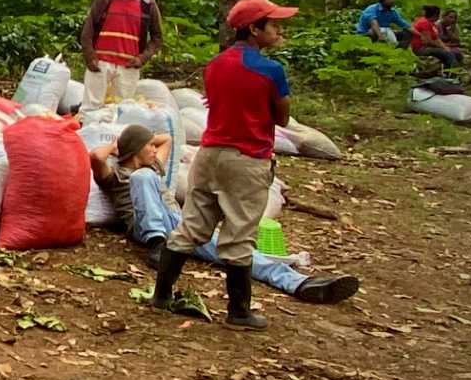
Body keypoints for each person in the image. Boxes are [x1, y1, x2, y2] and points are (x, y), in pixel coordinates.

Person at [152, 0, 306, 330]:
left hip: (208, 155)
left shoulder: (216, 64)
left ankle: (161, 295)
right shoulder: (270, 69)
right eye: (274, 24)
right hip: (247, 158)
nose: (279, 30)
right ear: (254, 28)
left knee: (191, 226)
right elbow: (282, 117)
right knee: (238, 235)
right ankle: (238, 312)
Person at [94, 124, 359, 306]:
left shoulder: (156, 167)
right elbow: (95, 156)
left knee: (235, 250)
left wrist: (143, 144)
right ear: (135, 150)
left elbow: (168, 139)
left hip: (178, 225)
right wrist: (118, 145)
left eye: (153, 145)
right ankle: (155, 244)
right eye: (148, 146)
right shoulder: (118, 176)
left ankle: (301, 285)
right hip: (149, 227)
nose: (154, 149)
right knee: (143, 176)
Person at [79, 0, 165, 109]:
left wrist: (142, 58)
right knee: (90, 109)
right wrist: (90, 55)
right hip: (100, 63)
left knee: (122, 110)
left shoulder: (147, 3)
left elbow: (157, 38)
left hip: (128, 67)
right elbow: (88, 29)